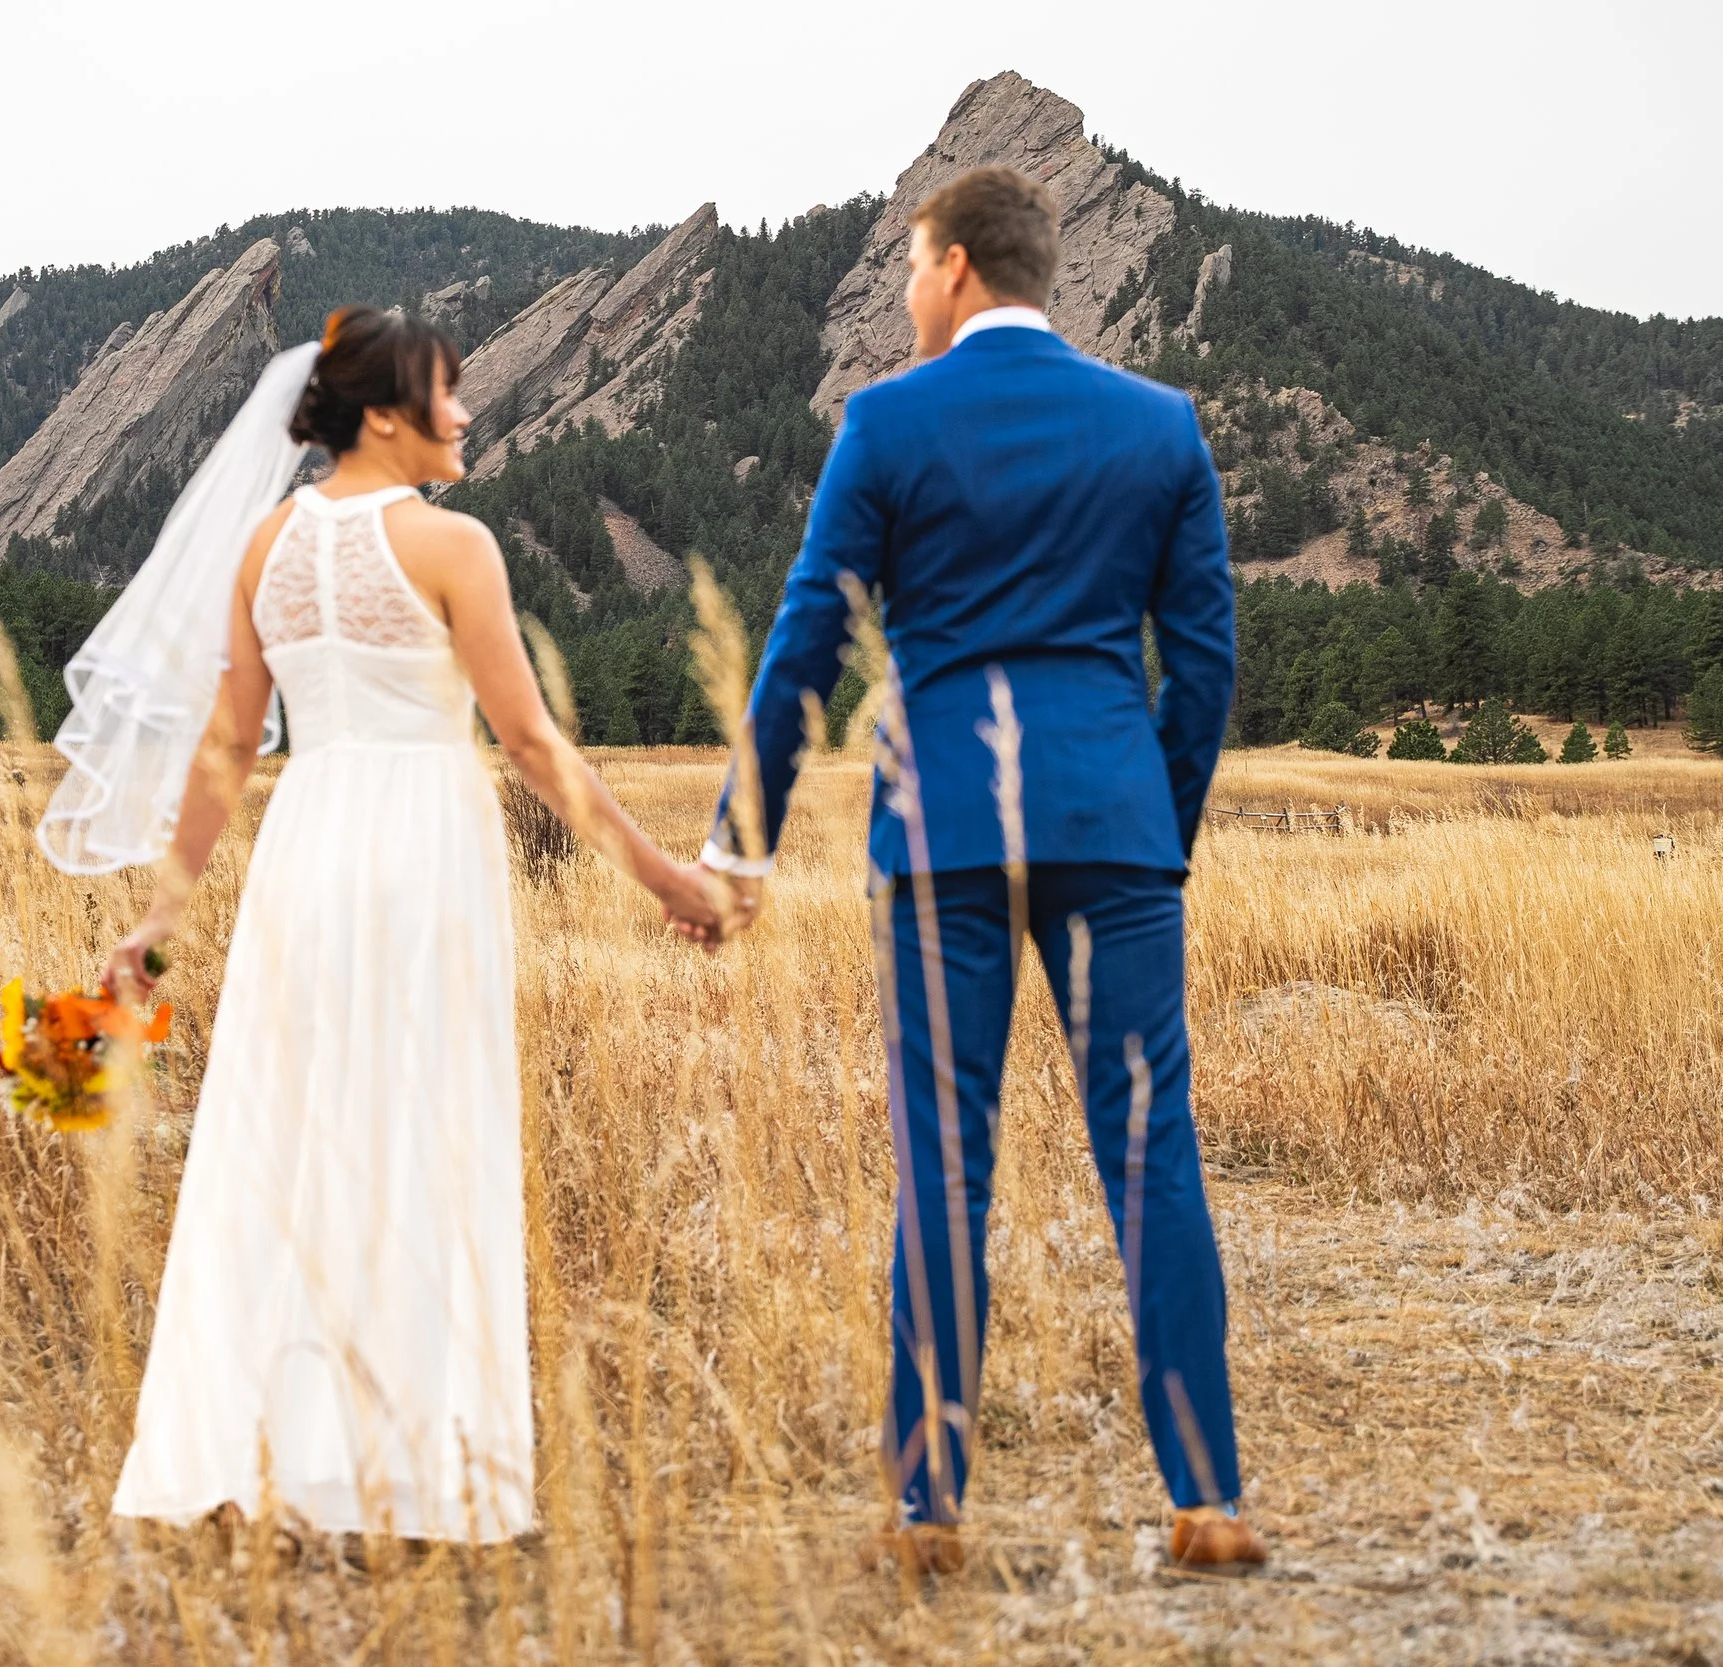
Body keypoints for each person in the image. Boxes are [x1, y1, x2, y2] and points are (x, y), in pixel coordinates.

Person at [694, 167, 1264, 1573]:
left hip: (939, 826)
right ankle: (1207, 1496)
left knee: (942, 1165)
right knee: (1155, 1158)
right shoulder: (1160, 427)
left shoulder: (885, 422)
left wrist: (738, 839)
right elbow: (1203, 663)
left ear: (953, 267)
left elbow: (806, 643)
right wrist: (1153, 820)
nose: (904, 294)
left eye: (910, 269)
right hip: (1115, 826)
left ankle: (930, 1508)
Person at [89, 307, 732, 1540]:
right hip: (423, 851)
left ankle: (274, 1450)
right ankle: (411, 1465)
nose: (469, 413)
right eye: (453, 392)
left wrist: (157, 917)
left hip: (305, 850)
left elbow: (230, 749)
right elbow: (531, 742)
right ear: (386, 412)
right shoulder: (452, 546)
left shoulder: (264, 545)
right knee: (425, 1129)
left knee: (288, 1133)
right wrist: (663, 878)